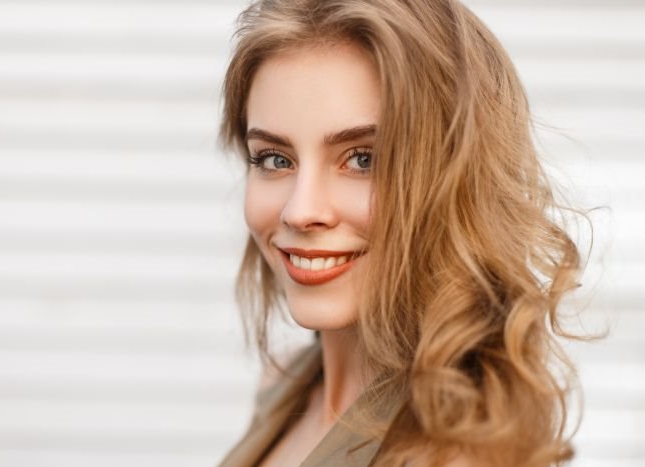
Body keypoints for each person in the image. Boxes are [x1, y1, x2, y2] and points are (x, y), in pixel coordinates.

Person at [217, 0, 591, 466]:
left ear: (458, 179)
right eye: (275, 159)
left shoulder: (455, 455)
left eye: (364, 159)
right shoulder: (286, 384)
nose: (300, 211)